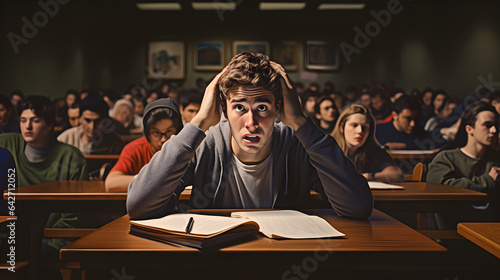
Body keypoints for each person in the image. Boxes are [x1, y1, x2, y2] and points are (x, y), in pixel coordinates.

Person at [127, 52, 372, 220]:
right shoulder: (205, 144)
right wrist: (198, 123)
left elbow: (358, 207)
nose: (251, 123)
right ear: (224, 109)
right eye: (240, 108)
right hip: (215, 262)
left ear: (279, 108)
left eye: (262, 108)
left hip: (284, 257)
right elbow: (138, 205)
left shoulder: (297, 145)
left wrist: (301, 123)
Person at [0, 95, 89, 254]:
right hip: (10, 235)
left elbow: (75, 214)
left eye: (35, 120)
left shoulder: (71, 158)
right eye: (23, 120)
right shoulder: (7, 144)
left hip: (53, 240)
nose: (27, 126)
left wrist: (51, 244)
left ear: (49, 124)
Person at [427, 100, 500, 224]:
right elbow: (441, 188)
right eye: (487, 125)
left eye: (496, 126)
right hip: (455, 233)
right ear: (469, 129)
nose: (494, 130)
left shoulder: (496, 159)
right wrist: (487, 181)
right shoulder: (446, 158)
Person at [105, 98, 183, 192]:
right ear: (147, 135)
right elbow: (111, 184)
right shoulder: (135, 149)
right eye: (156, 133)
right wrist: (151, 180)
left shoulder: (186, 149)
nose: (164, 139)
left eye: (169, 131)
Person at [331, 104, 402, 183]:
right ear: (342, 127)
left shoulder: (374, 151)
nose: (360, 131)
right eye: (354, 125)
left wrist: (369, 176)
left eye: (365, 127)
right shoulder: (327, 149)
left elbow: (396, 175)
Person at [57, 95, 125, 155]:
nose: (92, 127)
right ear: (80, 118)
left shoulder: (116, 144)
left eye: (97, 121)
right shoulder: (66, 139)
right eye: (87, 120)